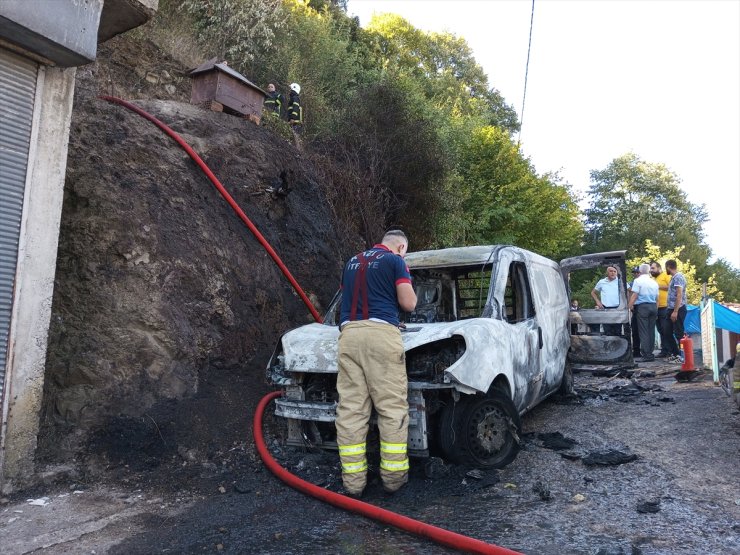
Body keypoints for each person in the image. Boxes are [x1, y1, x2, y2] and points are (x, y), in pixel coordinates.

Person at [335, 230, 417, 497]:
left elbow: (348, 299)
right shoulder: (396, 261)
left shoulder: (352, 261)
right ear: (401, 246)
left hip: (349, 336)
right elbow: (409, 303)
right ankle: (393, 481)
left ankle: (353, 485)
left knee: (351, 412)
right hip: (381, 335)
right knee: (391, 409)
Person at [628, 263, 659, 361]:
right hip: (653, 306)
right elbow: (657, 298)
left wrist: (629, 307)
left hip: (642, 307)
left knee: (643, 331)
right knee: (651, 331)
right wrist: (656, 309)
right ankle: (651, 353)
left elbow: (634, 295)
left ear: (640, 271)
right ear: (649, 271)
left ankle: (647, 355)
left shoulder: (638, 281)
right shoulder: (654, 282)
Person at [665, 259, 688, 363]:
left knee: (679, 333)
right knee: (666, 331)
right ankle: (676, 353)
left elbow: (679, 294)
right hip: (670, 308)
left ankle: (683, 356)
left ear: (668, 267)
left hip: (678, 309)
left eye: (666, 268)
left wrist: (675, 311)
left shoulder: (678, 277)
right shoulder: (673, 278)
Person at [590, 266, 622, 335]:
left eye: (614, 271)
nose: (613, 273)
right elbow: (593, 292)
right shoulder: (602, 282)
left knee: (617, 332)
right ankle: (608, 346)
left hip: (618, 309)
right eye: (611, 271)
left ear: (617, 273)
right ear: (607, 272)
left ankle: (617, 345)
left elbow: (630, 290)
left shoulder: (620, 281)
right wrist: (598, 302)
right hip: (605, 309)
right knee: (607, 332)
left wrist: (627, 302)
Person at [650, 261, 672, 358]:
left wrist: (657, 286)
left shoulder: (665, 276)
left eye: (653, 268)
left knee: (666, 329)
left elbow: (672, 287)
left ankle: (671, 351)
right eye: (651, 268)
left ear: (659, 268)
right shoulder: (654, 279)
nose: (651, 270)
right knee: (660, 330)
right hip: (656, 307)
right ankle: (664, 351)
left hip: (665, 307)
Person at [627, 266, 641, 357]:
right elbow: (629, 293)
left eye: (637, 272)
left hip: (643, 306)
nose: (636, 274)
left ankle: (646, 350)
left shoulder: (645, 282)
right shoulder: (632, 283)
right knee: (635, 329)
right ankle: (636, 350)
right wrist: (630, 304)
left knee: (644, 330)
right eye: (634, 273)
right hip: (634, 307)